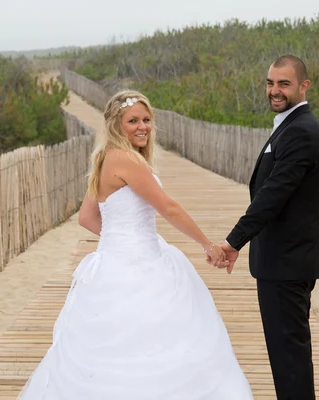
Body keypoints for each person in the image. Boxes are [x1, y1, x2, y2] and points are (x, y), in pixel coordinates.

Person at [18, 90, 253, 399]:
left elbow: (87, 218)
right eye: (133, 121)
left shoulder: (104, 159)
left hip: (112, 262)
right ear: (116, 124)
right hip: (139, 264)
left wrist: (120, 237)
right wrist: (208, 245)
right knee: (154, 342)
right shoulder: (127, 159)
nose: (143, 126)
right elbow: (168, 208)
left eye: (147, 120)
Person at [214, 55, 319, 400]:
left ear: (304, 86)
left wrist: (232, 242)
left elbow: (272, 195)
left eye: (284, 84)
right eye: (270, 83)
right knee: (286, 356)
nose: (274, 91)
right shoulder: (289, 126)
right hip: (282, 261)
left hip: (288, 263)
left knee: (289, 357)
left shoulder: (303, 133)